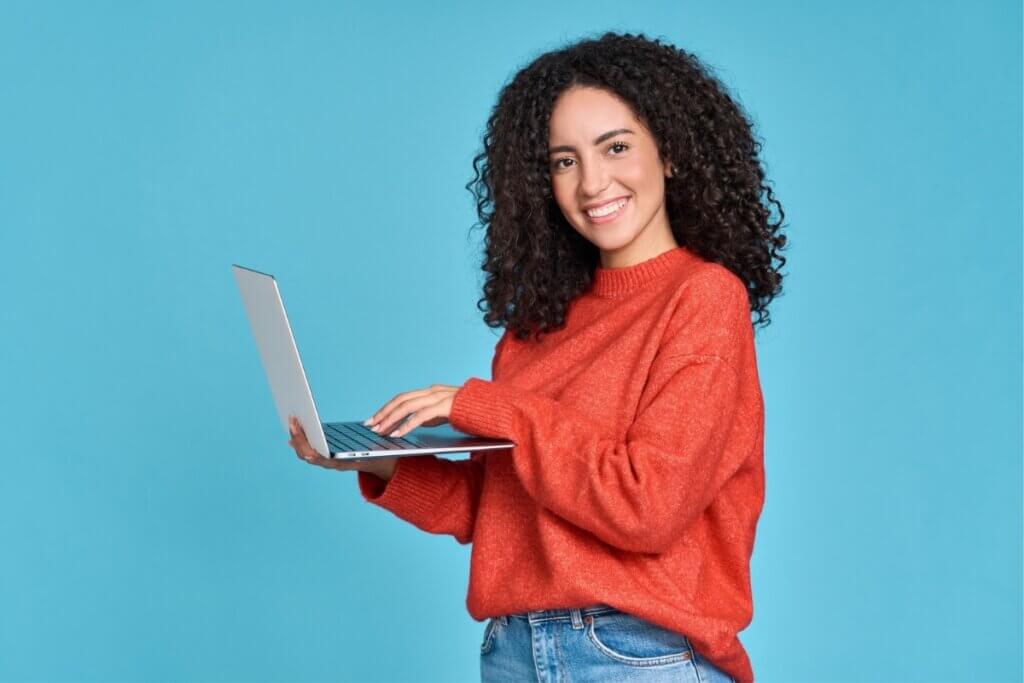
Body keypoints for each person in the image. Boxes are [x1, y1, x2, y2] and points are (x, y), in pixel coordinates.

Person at [287, 31, 786, 683]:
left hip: (637, 654)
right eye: (564, 161)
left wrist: (487, 406)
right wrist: (376, 458)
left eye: (615, 147)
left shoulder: (703, 299)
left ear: (670, 152)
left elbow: (648, 504)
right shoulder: (534, 329)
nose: (592, 181)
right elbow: (501, 509)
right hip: (515, 652)